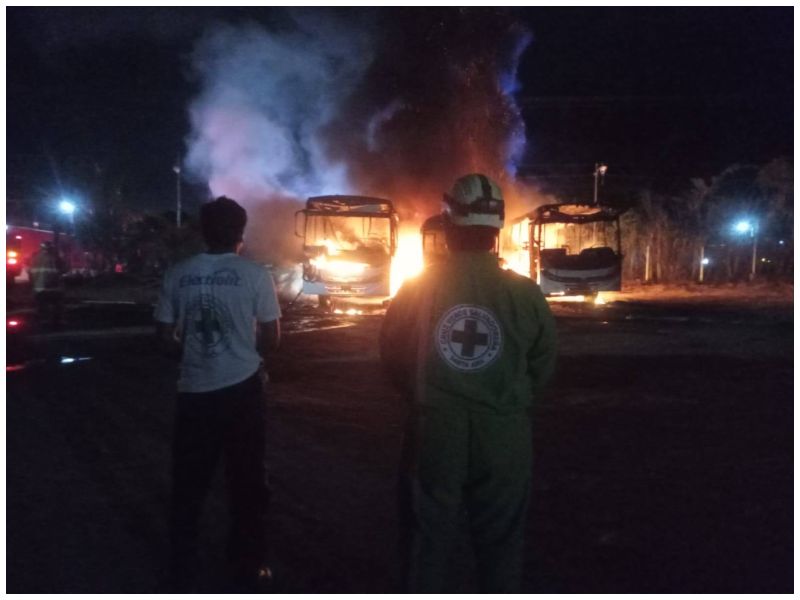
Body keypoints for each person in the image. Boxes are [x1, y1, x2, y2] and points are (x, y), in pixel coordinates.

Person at [380, 173, 558, 593]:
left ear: (448, 223)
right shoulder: (525, 293)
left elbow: (393, 355)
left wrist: (423, 396)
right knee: (500, 545)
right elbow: (542, 365)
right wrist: (507, 400)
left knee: (426, 542)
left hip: (436, 432)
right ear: (497, 229)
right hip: (504, 434)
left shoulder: (418, 288)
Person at [154, 196, 281, 592]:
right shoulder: (256, 275)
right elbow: (272, 338)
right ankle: (248, 565)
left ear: (202, 232)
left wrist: (193, 357)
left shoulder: (178, 273)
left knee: (189, 482)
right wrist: (246, 355)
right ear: (241, 232)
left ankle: (181, 566)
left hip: (194, 393)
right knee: (247, 481)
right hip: (243, 393)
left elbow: (163, 338)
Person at [29, 241, 65, 328]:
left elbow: (30, 273)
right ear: (51, 248)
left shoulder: (34, 258)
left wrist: (33, 285)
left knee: (41, 306)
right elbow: (64, 270)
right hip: (53, 288)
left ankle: (41, 323)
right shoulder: (55, 258)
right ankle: (56, 323)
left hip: (38, 288)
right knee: (56, 306)